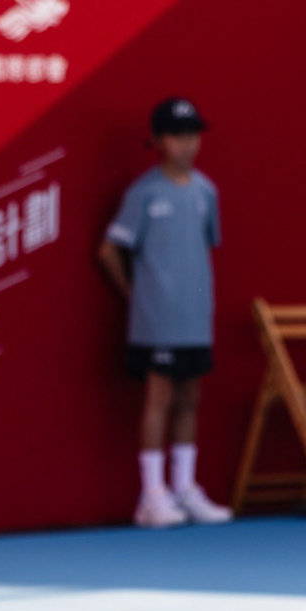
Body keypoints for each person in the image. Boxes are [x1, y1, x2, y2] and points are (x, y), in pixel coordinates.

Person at [97, 99, 232, 529]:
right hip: (155, 318)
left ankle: (184, 488)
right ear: (158, 141)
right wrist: (135, 293)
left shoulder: (206, 192)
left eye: (193, 134)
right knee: (159, 399)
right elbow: (108, 249)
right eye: (177, 135)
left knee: (190, 398)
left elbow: (202, 247)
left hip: (195, 315)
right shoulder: (143, 193)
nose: (187, 144)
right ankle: (151, 496)